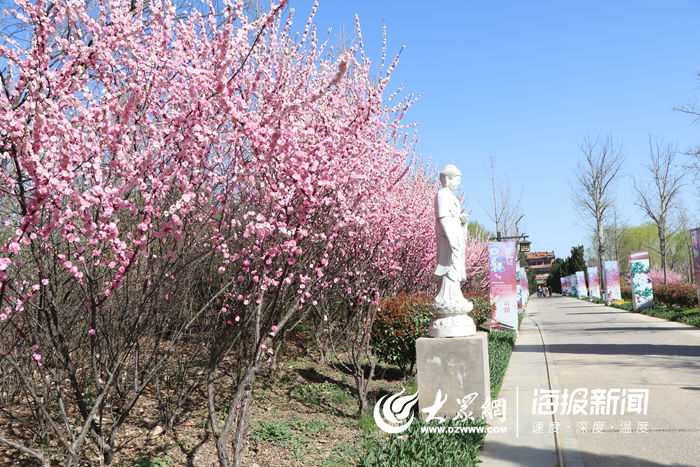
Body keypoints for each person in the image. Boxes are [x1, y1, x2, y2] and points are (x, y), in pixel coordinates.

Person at [432, 164, 472, 313]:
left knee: (455, 267)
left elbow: (452, 217)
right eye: (457, 179)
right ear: (448, 179)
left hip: (454, 235)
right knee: (449, 268)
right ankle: (446, 298)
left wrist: (461, 220)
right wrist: (451, 239)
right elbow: (442, 217)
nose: (458, 183)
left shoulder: (452, 197)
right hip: (447, 238)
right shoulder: (442, 194)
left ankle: (455, 295)